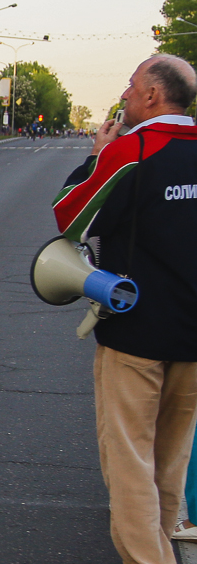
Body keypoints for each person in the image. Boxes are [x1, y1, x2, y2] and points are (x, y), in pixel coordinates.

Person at [52, 54, 197, 564]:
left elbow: (71, 216)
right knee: (168, 464)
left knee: (130, 464)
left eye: (132, 85)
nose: (125, 93)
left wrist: (96, 156)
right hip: (193, 338)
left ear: (153, 95)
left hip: (135, 330)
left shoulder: (131, 150)